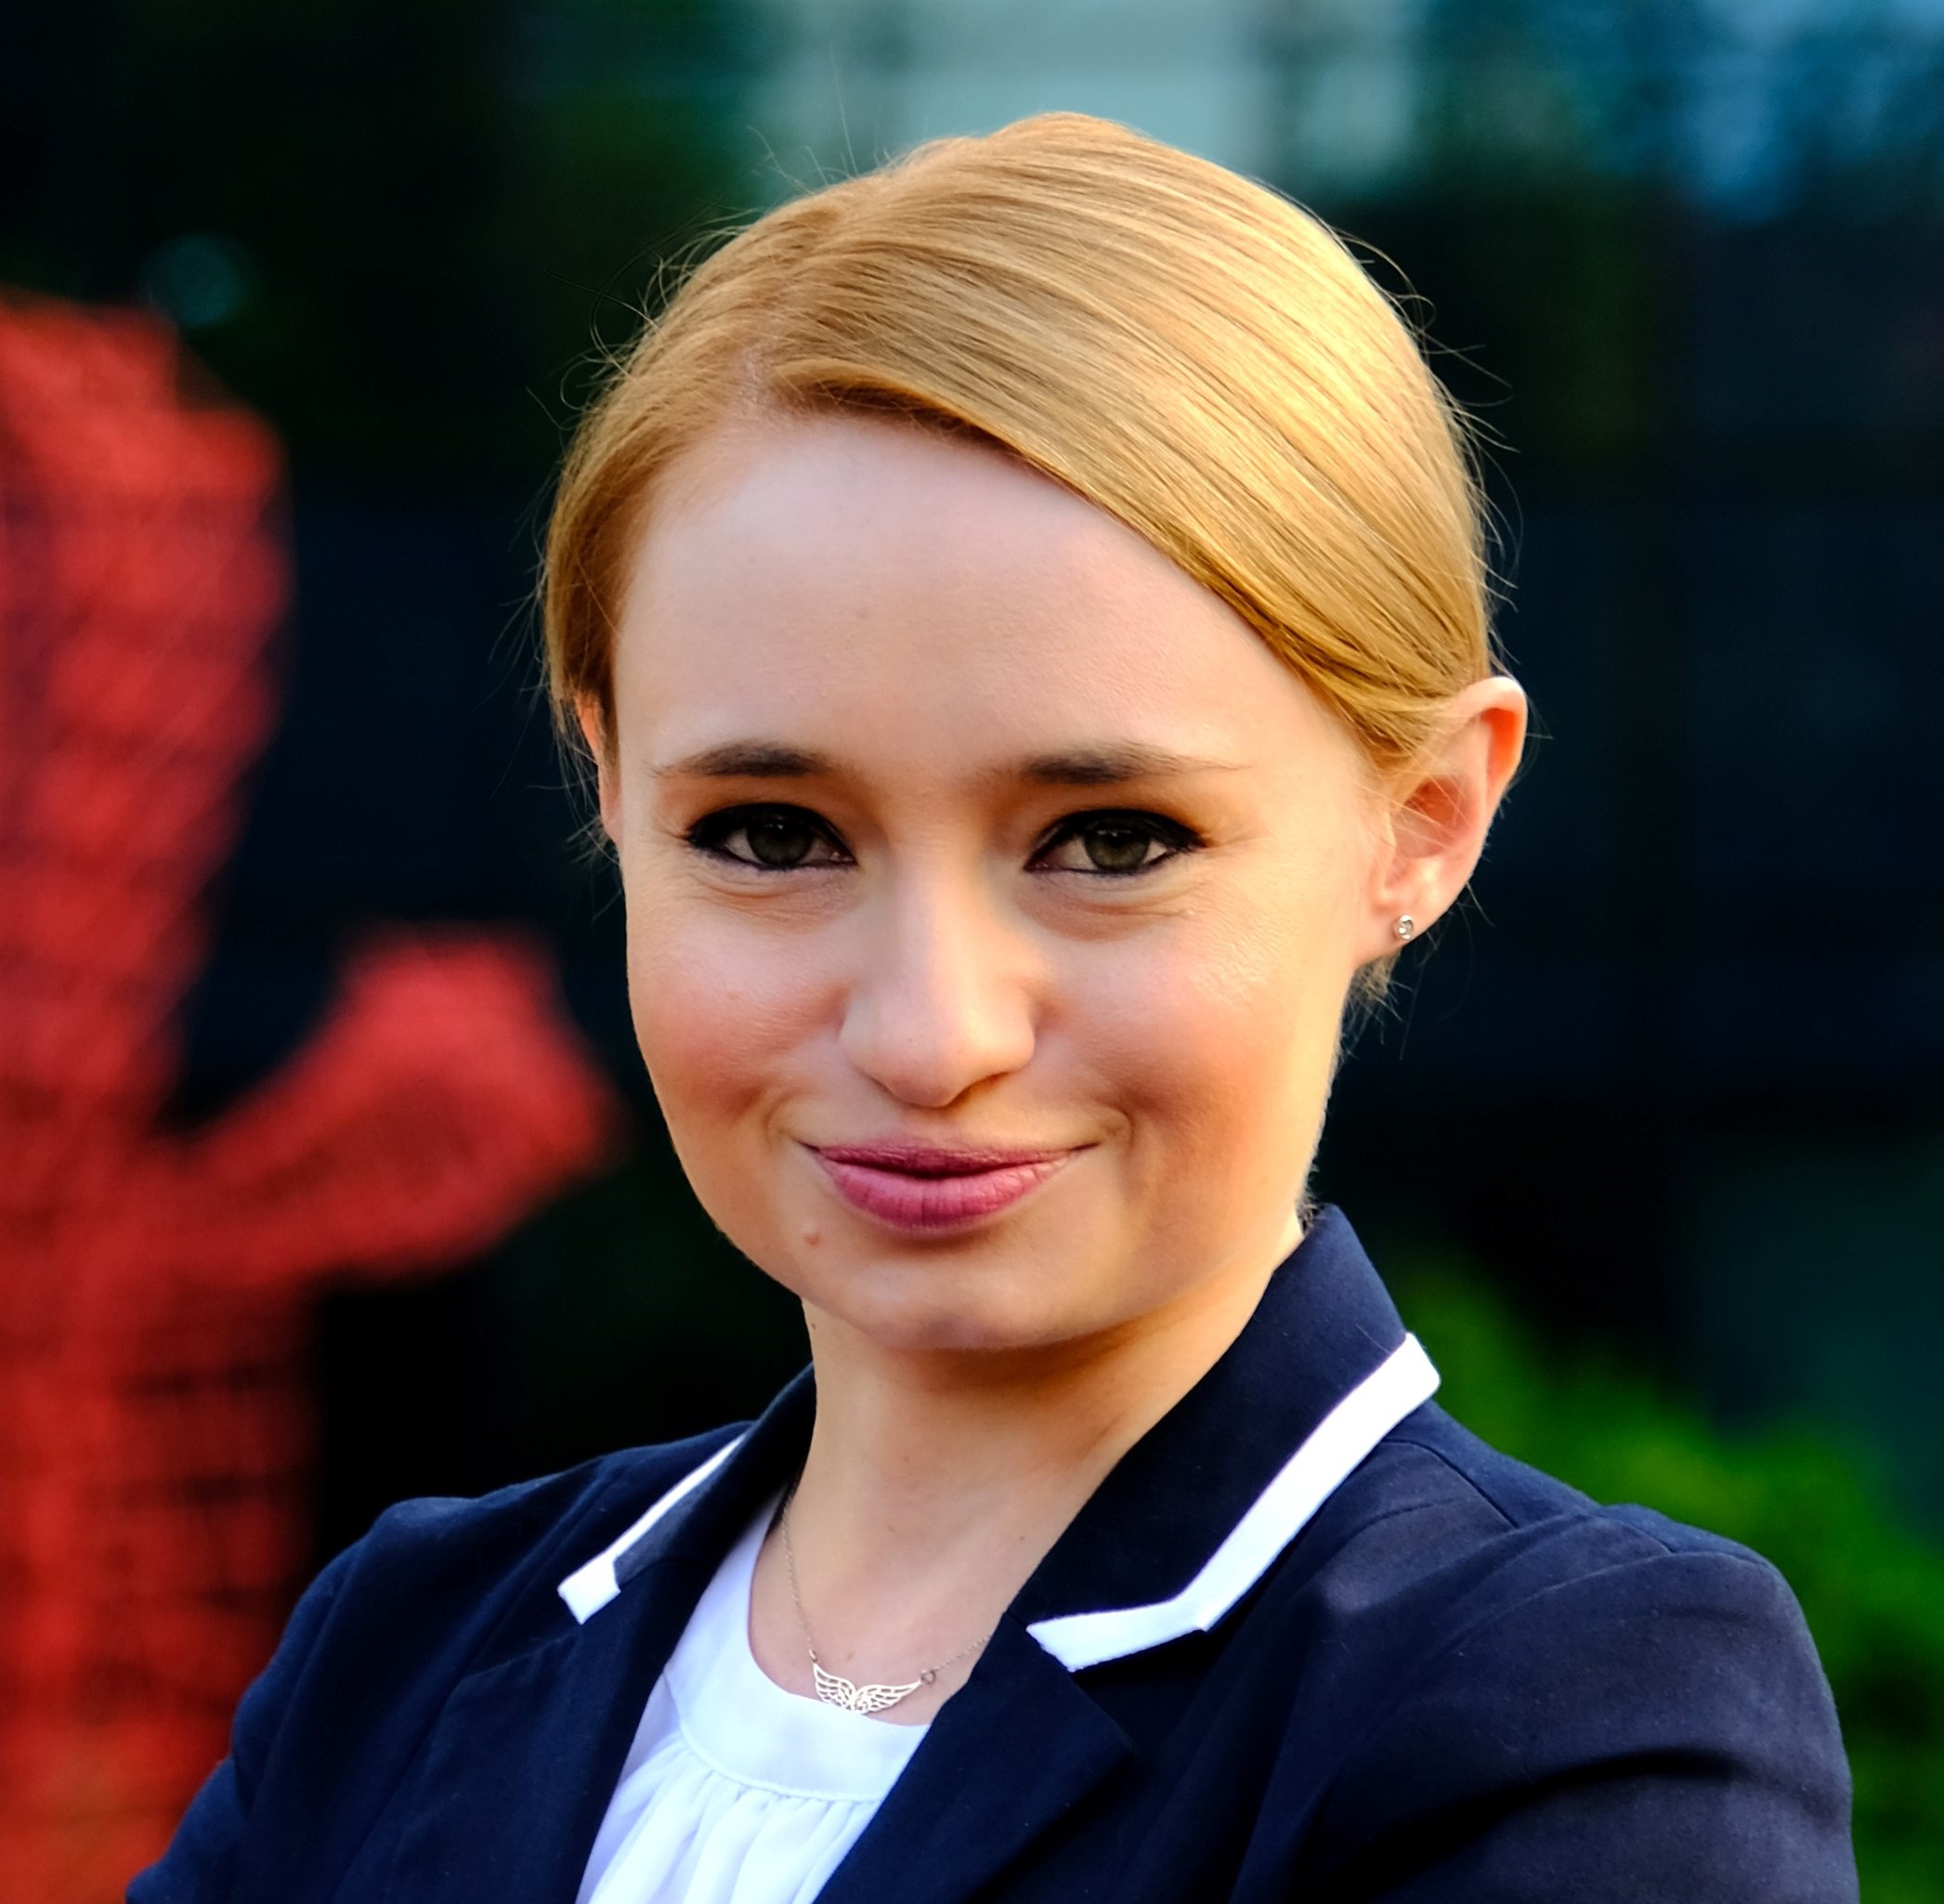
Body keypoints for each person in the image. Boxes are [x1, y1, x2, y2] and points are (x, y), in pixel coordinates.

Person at [132, 112, 1855, 1904]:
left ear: (1420, 821)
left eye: (1110, 840)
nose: (929, 1035)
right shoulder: (404, 1652)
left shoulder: (1567, 1708)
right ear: (609, 783)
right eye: (771, 832)